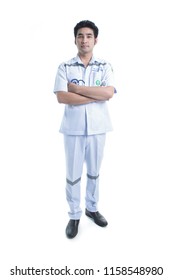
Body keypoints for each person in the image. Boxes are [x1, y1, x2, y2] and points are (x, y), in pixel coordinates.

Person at [53, 20, 116, 238]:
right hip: (73, 129)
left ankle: (92, 207)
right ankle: (74, 215)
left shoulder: (105, 66)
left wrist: (77, 89)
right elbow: (62, 97)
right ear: (75, 39)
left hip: (99, 127)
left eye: (89, 36)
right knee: (73, 174)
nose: (84, 39)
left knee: (94, 172)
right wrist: (93, 94)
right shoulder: (65, 67)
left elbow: (108, 94)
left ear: (95, 40)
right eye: (80, 35)